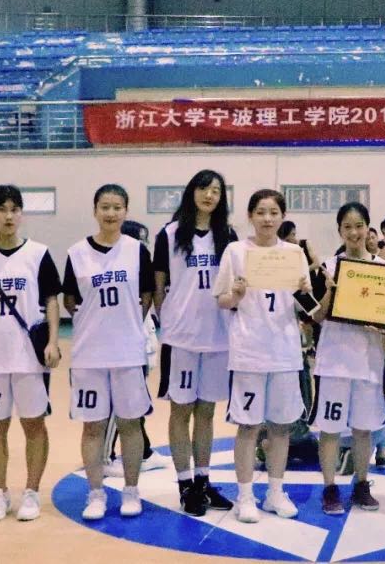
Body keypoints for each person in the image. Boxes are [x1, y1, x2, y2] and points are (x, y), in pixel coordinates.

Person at [0, 185, 62, 522]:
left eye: (14, 209)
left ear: (21, 214)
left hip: (29, 359)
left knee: (34, 424)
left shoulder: (39, 254)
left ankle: (31, 492)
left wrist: (53, 341)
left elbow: (51, 301)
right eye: (1, 209)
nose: (8, 216)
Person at [215, 189, 311, 523]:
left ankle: (275, 492)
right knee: (248, 426)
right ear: (250, 216)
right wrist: (236, 294)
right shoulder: (235, 251)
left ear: (282, 216)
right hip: (249, 353)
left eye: (273, 212)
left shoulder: (294, 254)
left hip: (285, 352)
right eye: (260, 212)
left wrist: (305, 292)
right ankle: (244, 496)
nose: (267, 219)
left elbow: (305, 306)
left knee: (281, 428)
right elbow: (222, 300)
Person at [63, 184, 155, 521]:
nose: (111, 213)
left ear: (126, 211)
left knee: (131, 424)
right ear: (95, 210)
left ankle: (131, 491)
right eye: (105, 206)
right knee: (93, 427)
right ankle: (96, 493)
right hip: (89, 354)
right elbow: (69, 301)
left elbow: (147, 295)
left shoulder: (137, 251)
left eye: (117, 207)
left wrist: (126, 324)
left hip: (128, 352)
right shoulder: (76, 253)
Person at [154, 170, 236, 516]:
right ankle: (185, 484)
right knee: (181, 410)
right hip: (182, 338)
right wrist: (168, 322)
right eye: (204, 188)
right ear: (192, 192)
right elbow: (159, 285)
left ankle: (203, 480)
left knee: (206, 411)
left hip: (217, 336)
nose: (209, 195)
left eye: (216, 190)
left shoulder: (228, 236)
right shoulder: (169, 234)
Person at [310, 202, 385, 515]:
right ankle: (330, 488)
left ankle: (362, 484)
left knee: (363, 429)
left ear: (368, 228)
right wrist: (330, 290)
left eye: (359, 226)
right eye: (347, 227)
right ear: (340, 231)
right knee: (330, 428)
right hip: (334, 360)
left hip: (368, 361)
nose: (354, 233)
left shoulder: (384, 268)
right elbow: (316, 316)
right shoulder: (328, 267)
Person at [100, 220, 172, 478]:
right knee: (116, 403)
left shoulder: (144, 270)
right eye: (140, 241)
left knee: (136, 402)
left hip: (142, 341)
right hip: (121, 344)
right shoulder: (116, 269)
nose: (145, 246)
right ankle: (104, 457)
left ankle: (144, 452)